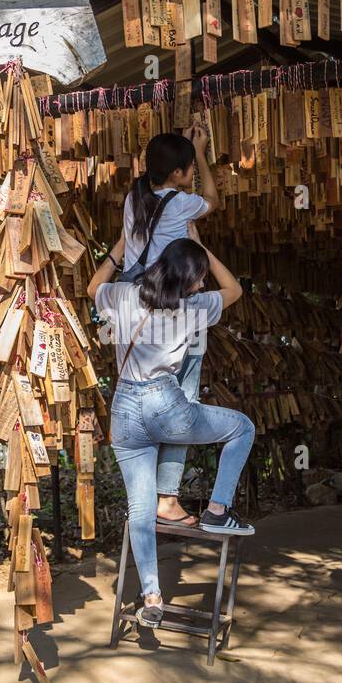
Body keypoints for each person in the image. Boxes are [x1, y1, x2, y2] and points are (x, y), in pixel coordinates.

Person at [89, 236, 255, 628]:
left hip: (125, 409)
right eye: (197, 279)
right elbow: (234, 289)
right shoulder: (194, 306)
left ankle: (152, 595)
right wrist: (205, 249)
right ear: (190, 278)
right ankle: (217, 511)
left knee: (140, 509)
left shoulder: (125, 295)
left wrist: (117, 250)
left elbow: (93, 287)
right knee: (242, 427)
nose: (201, 286)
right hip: (166, 406)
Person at [119, 126, 219, 527]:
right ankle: (167, 497)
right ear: (178, 172)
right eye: (190, 168)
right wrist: (202, 151)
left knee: (143, 394)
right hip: (180, 313)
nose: (193, 174)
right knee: (183, 404)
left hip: (138, 315)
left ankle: (143, 497)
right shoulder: (180, 203)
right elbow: (213, 199)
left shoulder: (133, 198)